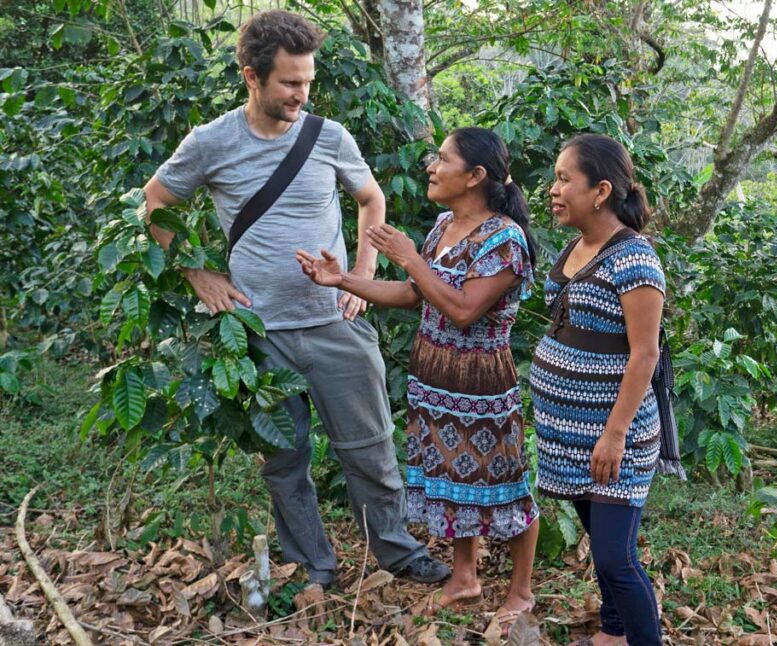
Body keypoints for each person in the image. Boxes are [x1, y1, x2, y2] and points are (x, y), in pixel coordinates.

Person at [142, 9, 449, 588]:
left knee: (371, 450)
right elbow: (154, 203)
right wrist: (196, 273)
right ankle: (313, 567)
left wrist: (361, 273)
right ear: (250, 76)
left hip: (336, 323)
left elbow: (370, 199)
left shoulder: (328, 136)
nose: (301, 94)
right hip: (258, 332)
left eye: (307, 81)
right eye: (289, 82)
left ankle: (398, 553)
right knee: (283, 464)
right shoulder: (210, 142)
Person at [296, 127, 540, 634]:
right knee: (451, 478)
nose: (431, 166)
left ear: (475, 176)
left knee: (503, 481)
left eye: (443, 159)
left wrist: (409, 257)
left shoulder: (505, 240)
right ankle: (464, 578)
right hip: (434, 379)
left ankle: (521, 591)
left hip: (480, 384)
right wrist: (341, 279)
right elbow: (415, 295)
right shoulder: (443, 226)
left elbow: (463, 310)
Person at [531, 134, 665, 645]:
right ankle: (612, 633)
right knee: (599, 541)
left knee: (615, 555)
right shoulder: (575, 246)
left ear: (602, 190)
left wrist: (614, 435)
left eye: (566, 180)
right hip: (570, 434)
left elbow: (644, 354)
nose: (554, 189)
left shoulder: (635, 258)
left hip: (614, 435)